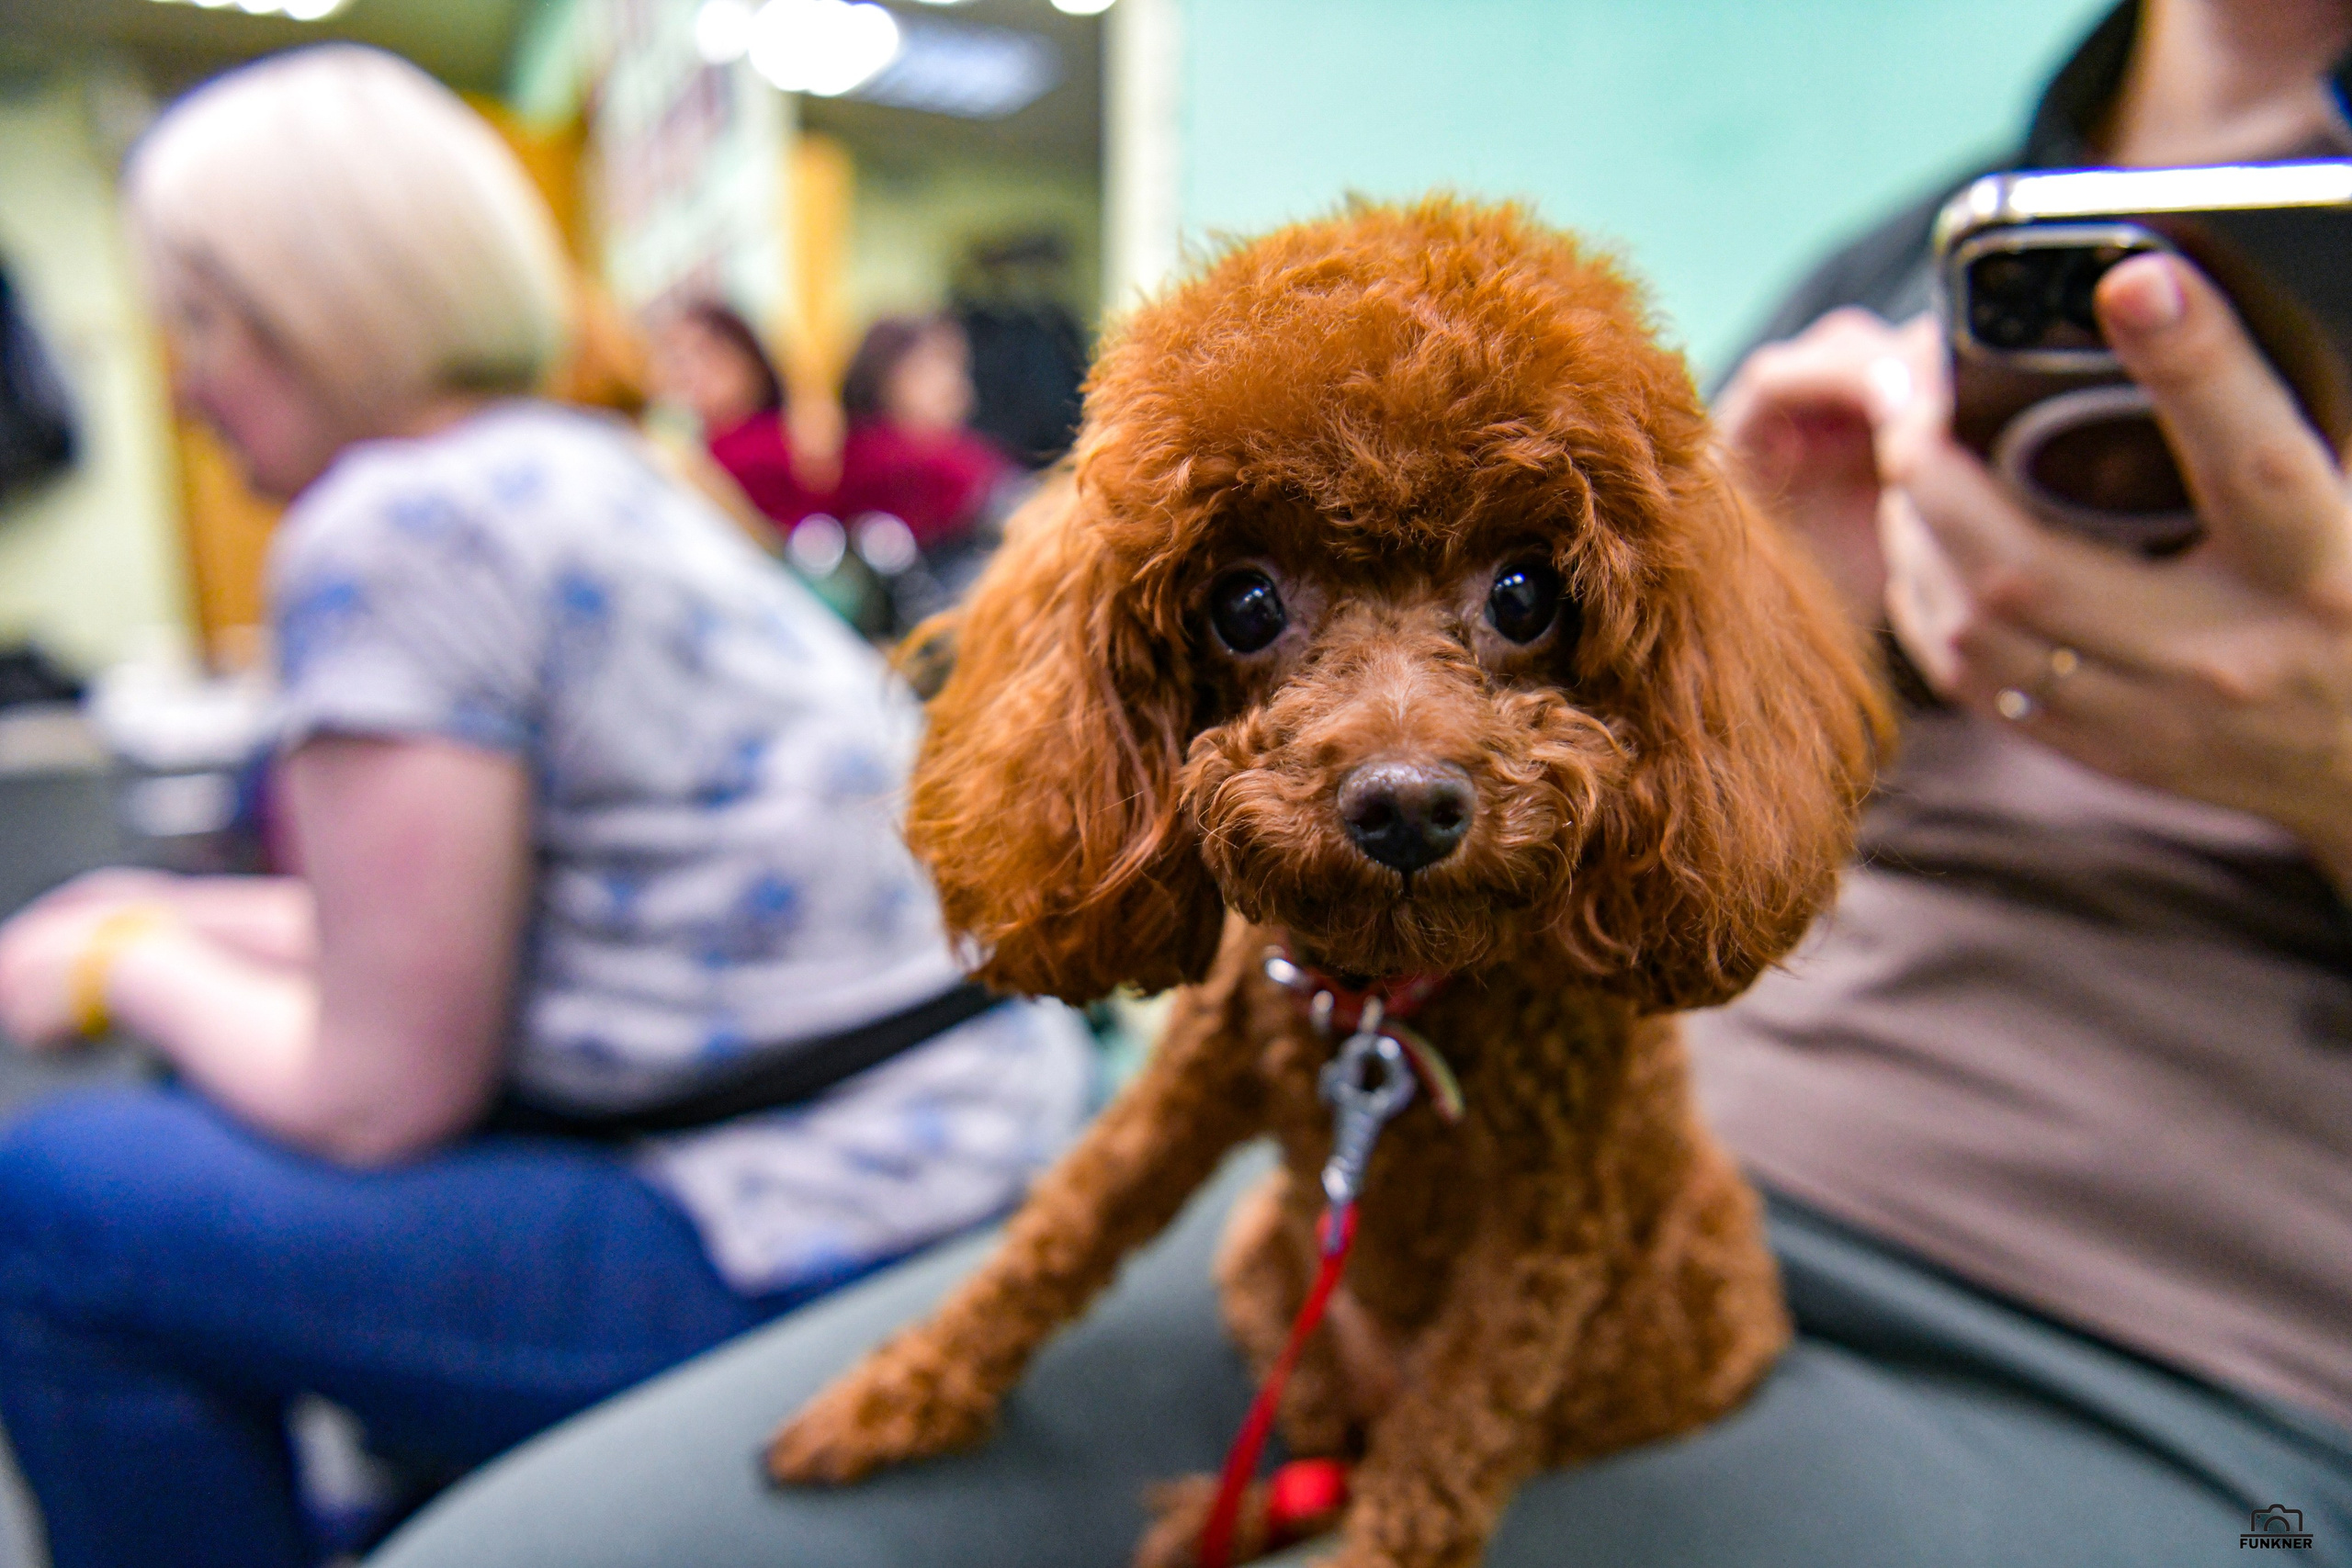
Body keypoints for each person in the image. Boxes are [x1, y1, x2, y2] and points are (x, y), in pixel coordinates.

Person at [361, 5, 2350, 1566]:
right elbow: (1135, 1152)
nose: (1396, 735)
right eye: (1248, 604)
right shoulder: (1906, 258)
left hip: (2159, 1331)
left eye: (1507, 593)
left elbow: (1703, 760)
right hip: (1545, 1157)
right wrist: (1806, 579)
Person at [0, 45, 1092, 1568]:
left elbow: (381, 1095)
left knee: (50, 1198)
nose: (180, 384)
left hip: (809, 1212)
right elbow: (486, 917)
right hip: (989, 1129)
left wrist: (130, 966)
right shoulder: (616, 469)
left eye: (198, 319)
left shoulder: (390, 526)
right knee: (194, 1110)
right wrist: (178, 913)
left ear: (309, 306)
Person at [652, 300, 841, 536]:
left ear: (745, 353)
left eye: (706, 351)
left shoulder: (798, 434)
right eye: (677, 359)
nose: (693, 371)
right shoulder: (689, 454)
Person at [834, 313, 1011, 557]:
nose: (951, 385)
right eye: (930, 368)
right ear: (882, 379)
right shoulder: (952, 474)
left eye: (958, 369)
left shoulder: (973, 466)